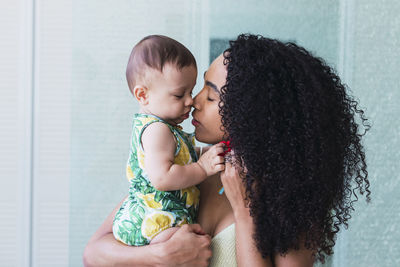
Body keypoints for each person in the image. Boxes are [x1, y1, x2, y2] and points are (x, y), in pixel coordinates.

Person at [83, 34, 370, 266]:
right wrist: (157, 257)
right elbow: (93, 252)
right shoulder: (188, 165)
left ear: (251, 114)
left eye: (210, 95)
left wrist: (246, 212)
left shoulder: (291, 199)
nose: (193, 102)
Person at [113, 35, 225, 247]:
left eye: (190, 91)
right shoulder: (157, 130)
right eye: (178, 95)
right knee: (178, 249)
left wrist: (205, 155)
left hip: (163, 220)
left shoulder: (167, 129)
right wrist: (202, 168)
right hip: (154, 223)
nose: (190, 101)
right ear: (142, 95)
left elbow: (180, 157)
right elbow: (163, 178)